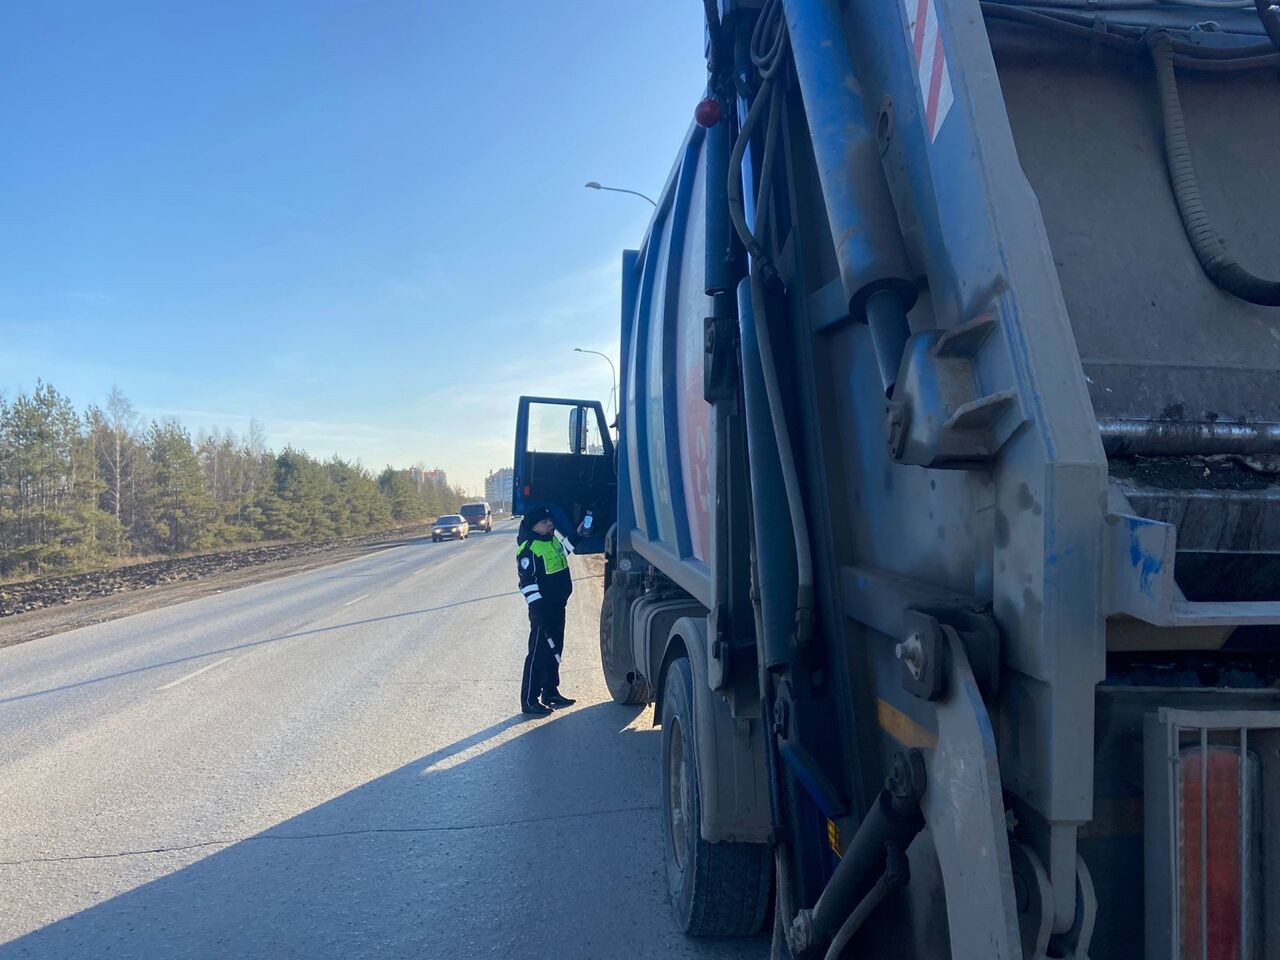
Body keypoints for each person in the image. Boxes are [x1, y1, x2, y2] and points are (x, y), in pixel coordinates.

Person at [516, 506, 577, 715]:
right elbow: (527, 582)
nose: (550, 524)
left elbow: (563, 551)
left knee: (555, 650)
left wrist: (578, 535)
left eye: (550, 521)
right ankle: (529, 700)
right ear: (533, 526)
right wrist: (536, 610)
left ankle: (550, 692)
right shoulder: (528, 549)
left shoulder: (550, 541)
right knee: (538, 654)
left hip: (558, 606)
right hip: (542, 610)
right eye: (545, 522)